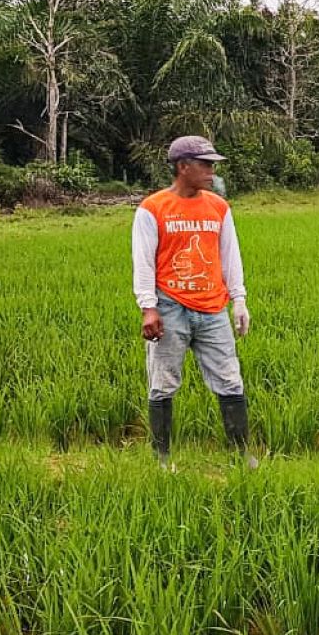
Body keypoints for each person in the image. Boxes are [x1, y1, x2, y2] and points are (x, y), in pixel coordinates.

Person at [132, 135, 257, 469]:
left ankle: (241, 456)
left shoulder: (218, 207)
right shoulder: (153, 208)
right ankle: (162, 459)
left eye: (213, 165)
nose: (211, 171)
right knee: (163, 382)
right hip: (169, 306)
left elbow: (230, 255)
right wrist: (148, 306)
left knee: (231, 380)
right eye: (205, 164)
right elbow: (143, 261)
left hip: (213, 308)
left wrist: (239, 299)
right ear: (182, 166)